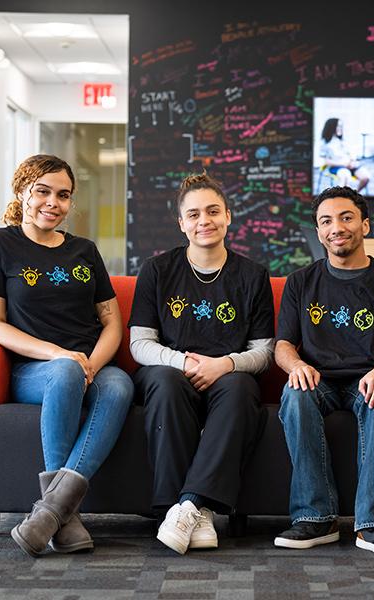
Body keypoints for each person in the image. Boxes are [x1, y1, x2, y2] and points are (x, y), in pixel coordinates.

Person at [0, 154, 134, 557]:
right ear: (22, 192)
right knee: (64, 371)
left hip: (91, 365)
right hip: (34, 369)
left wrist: (92, 364)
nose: (53, 202)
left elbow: (111, 322)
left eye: (63, 195)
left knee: (120, 386)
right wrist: (59, 355)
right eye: (42, 192)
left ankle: (51, 512)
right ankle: (63, 512)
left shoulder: (84, 250)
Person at [273, 186, 374, 556]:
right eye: (326, 221)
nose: (336, 228)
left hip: (368, 379)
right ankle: (316, 518)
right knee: (294, 394)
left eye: (346, 218)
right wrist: (297, 365)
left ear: (365, 225)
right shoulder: (300, 282)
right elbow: (283, 346)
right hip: (318, 379)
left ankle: (373, 525)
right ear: (319, 231)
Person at [128, 172, 275, 555]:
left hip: (228, 374)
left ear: (228, 216)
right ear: (182, 223)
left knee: (241, 388)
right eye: (193, 214)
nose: (204, 221)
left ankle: (191, 506)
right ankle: (184, 508)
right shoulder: (157, 270)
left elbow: (264, 351)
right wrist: (183, 363)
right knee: (166, 383)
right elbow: (140, 344)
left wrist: (224, 364)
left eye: (213, 211)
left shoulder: (253, 275)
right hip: (169, 371)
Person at [318, 118, 370, 191]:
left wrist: (352, 161)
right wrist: (343, 164)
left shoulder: (343, 140)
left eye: (341, 126)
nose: (340, 128)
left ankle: (355, 194)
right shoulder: (325, 143)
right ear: (331, 127)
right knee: (346, 176)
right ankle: (341, 195)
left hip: (350, 165)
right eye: (338, 126)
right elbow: (326, 161)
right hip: (337, 167)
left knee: (365, 177)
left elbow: (352, 153)